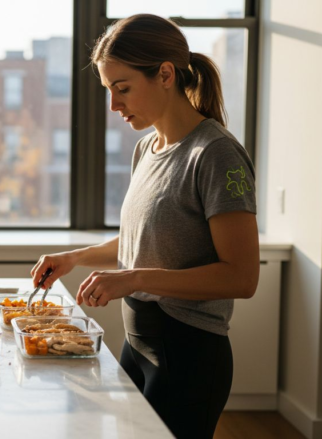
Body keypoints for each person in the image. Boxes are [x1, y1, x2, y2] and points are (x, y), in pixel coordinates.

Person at [30, 14, 259, 439]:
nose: (114, 105)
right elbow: (144, 241)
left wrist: (133, 278)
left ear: (166, 74)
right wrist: (73, 258)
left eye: (123, 88)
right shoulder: (147, 148)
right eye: (108, 90)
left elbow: (242, 278)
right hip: (139, 344)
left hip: (189, 353)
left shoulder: (216, 154)